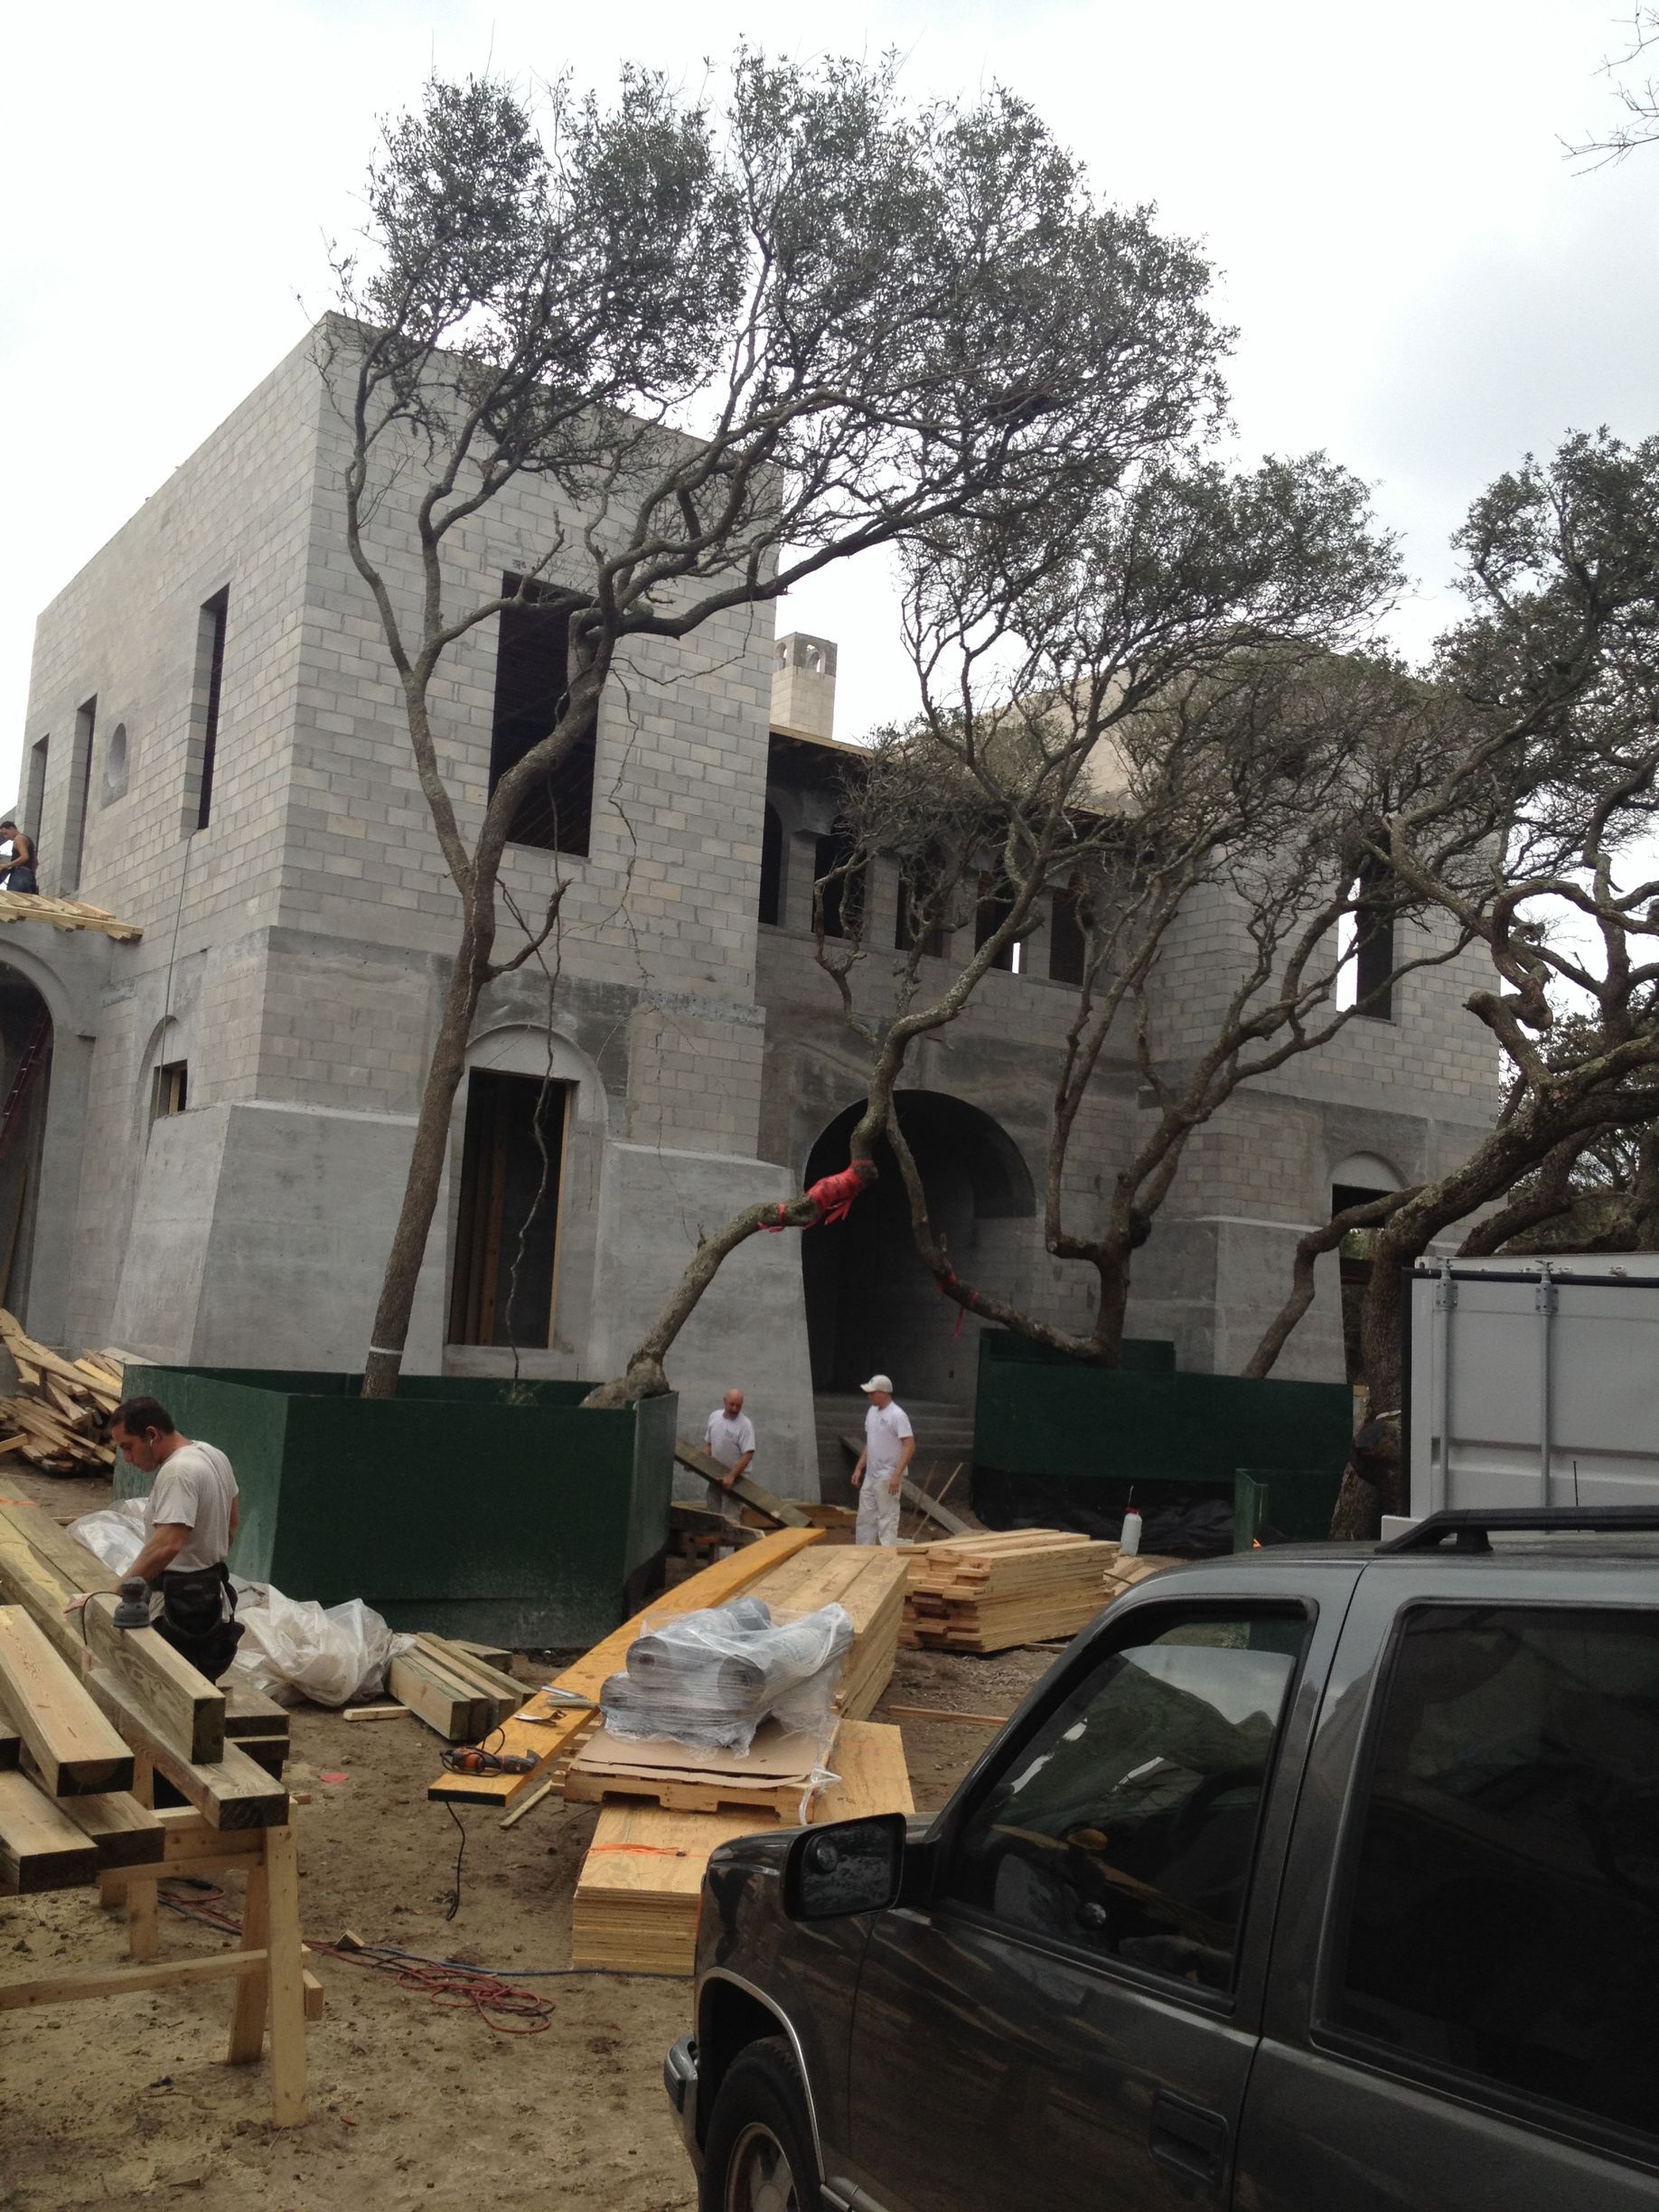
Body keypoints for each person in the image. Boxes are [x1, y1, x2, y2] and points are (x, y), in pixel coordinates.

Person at [72, 1396, 244, 1679]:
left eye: (128, 1446)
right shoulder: (212, 1454)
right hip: (210, 1594)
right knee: (194, 1680)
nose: (126, 1458)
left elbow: (167, 1545)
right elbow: (232, 1522)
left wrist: (111, 1594)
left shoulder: (179, 1471)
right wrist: (207, 1558)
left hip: (182, 1604)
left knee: (165, 1689)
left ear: (152, 1435)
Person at [851, 1373, 914, 1547]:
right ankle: (863, 1553)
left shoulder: (897, 1415)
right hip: (871, 1474)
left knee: (887, 1518)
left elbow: (909, 1446)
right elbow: (870, 1443)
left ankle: (887, 1556)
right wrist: (859, 1468)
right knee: (865, 1518)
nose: (869, 1396)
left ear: (884, 1393)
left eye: (872, 1393)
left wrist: (896, 1475)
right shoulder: (872, 1412)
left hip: (887, 1474)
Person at [704, 1388, 757, 1523]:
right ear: (725, 1401)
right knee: (712, 1509)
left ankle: (728, 1544)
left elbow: (748, 1454)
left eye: (738, 1406)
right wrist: (696, 1462)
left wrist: (732, 1476)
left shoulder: (745, 1425)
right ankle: (715, 1541)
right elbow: (709, 1445)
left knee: (730, 1518)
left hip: (737, 1477)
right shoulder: (714, 1417)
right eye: (732, 1404)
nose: (734, 1408)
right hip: (716, 1473)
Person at [0, 820, 39, 895]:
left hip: (19, 875)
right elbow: (36, 862)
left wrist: (5, 865)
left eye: (6, 833)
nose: (6, 837)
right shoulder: (27, 839)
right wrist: (30, 874)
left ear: (12, 828)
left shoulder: (19, 839)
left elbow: (25, 857)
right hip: (29, 876)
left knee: (12, 899)